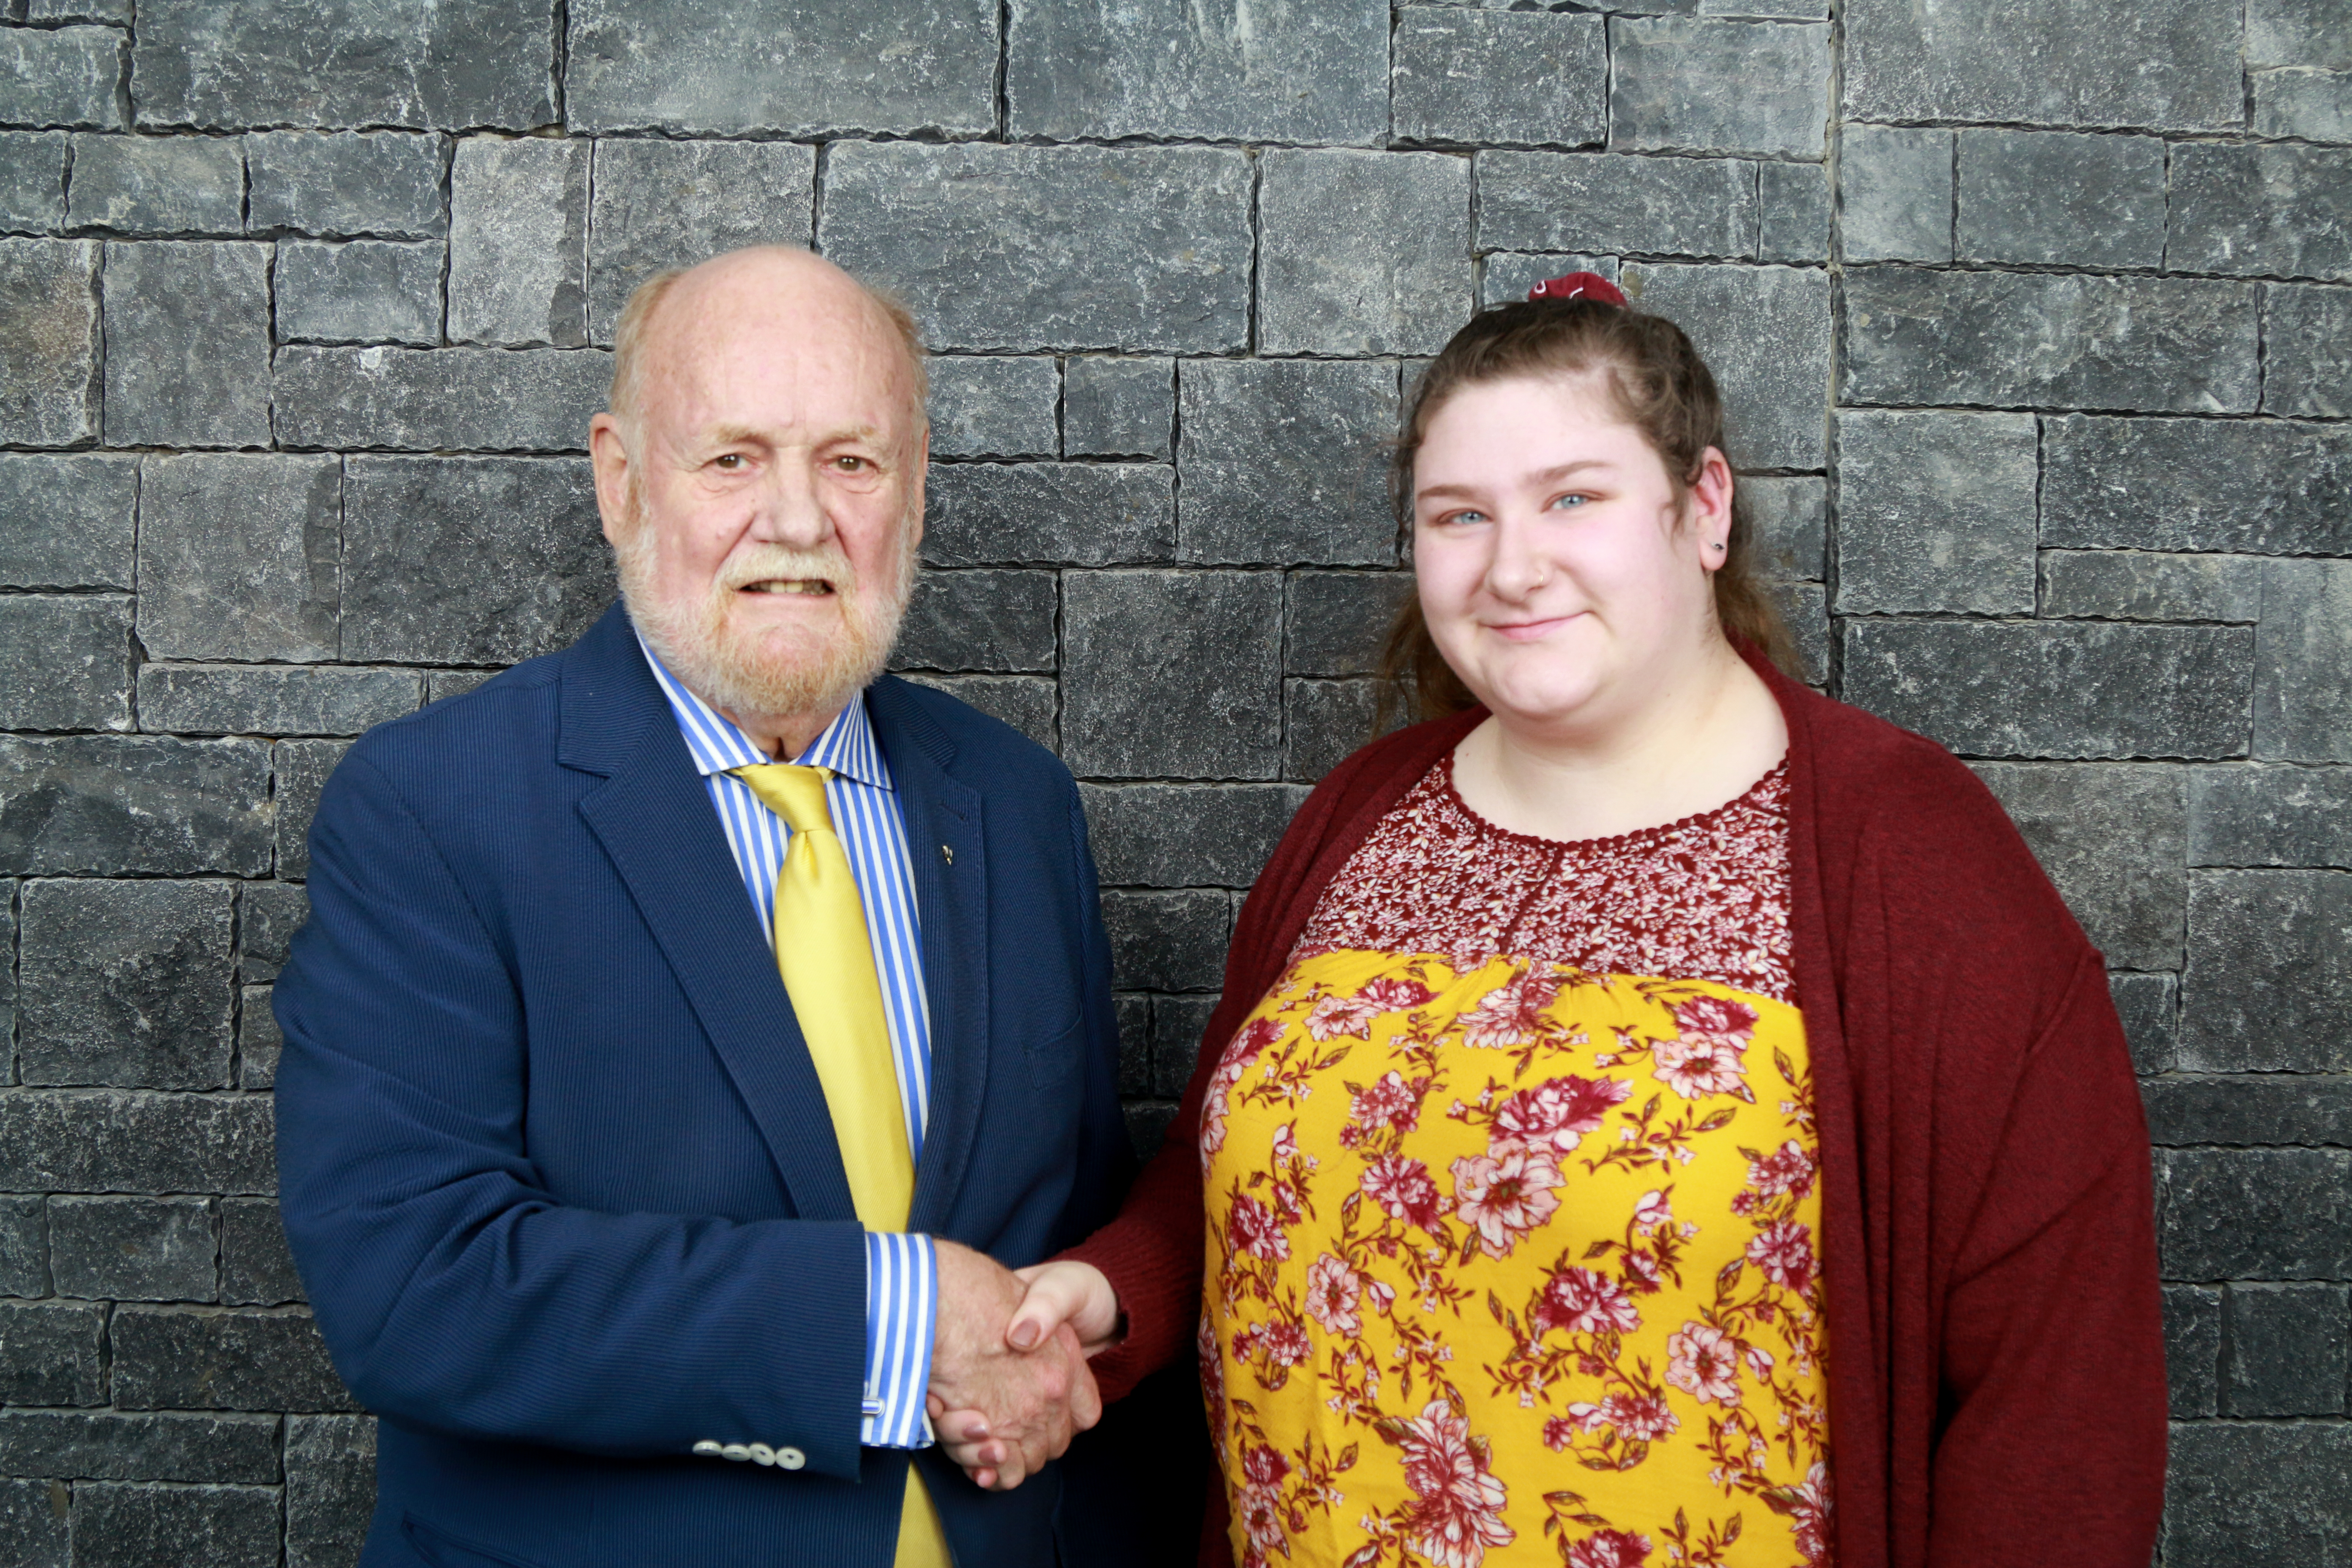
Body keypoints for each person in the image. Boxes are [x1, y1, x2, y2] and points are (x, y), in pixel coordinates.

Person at [940, 273, 2168, 1567]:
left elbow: (2061, 1386)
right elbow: (1223, 1177)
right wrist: (1107, 1293)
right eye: (1458, 515)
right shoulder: (1362, 817)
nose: (1512, 567)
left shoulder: (1908, 861)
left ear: (1702, 509)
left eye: (1572, 497)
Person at [272, 246, 1131, 1567]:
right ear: (621, 481)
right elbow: (415, 1288)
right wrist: (891, 1324)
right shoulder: (432, 809)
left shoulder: (1016, 806)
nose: (797, 520)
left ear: (914, 493)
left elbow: (1067, 1223)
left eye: (853, 460)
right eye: (732, 457)